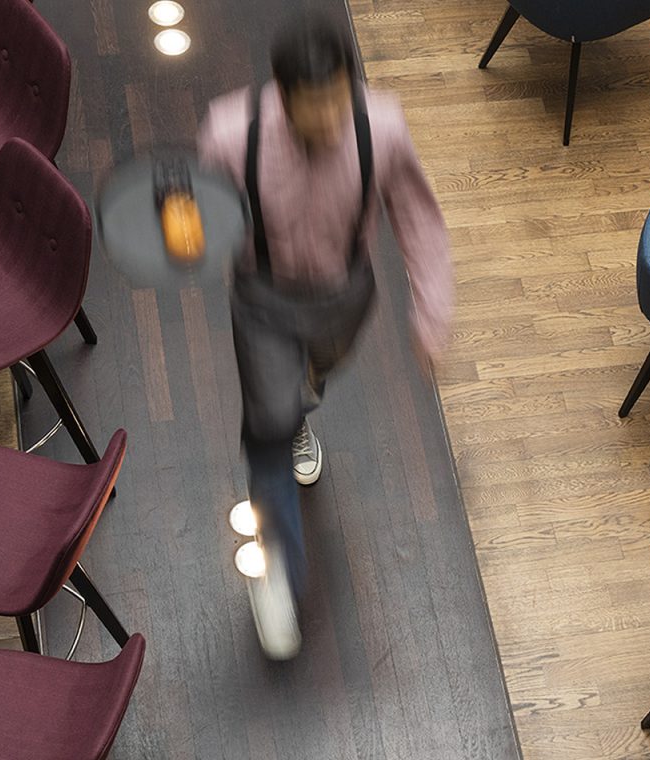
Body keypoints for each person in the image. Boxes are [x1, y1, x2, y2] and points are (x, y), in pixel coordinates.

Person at [196, 15, 453, 643]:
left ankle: (300, 409)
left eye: (340, 103)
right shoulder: (229, 135)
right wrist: (184, 232)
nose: (331, 121)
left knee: (305, 389)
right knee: (265, 429)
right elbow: (202, 225)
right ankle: (279, 572)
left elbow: (417, 218)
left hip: (345, 300)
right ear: (281, 97)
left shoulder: (383, 126)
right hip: (262, 301)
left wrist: (431, 311)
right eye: (314, 109)